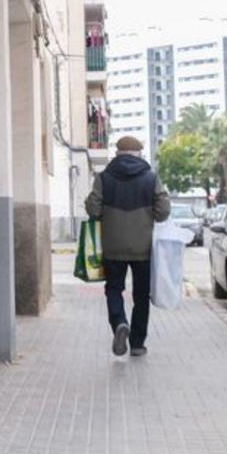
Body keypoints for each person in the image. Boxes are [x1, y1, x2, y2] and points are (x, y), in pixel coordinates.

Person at [85, 135, 171, 357]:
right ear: (139, 154)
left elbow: (93, 209)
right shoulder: (151, 178)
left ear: (117, 154)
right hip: (143, 247)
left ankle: (120, 323)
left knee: (114, 289)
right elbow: (163, 212)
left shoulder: (104, 177)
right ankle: (137, 344)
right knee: (141, 295)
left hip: (113, 246)